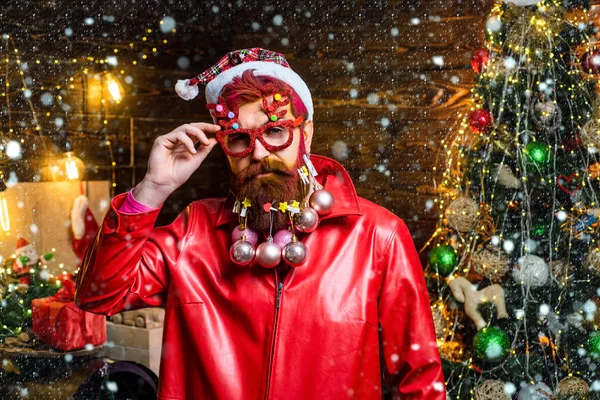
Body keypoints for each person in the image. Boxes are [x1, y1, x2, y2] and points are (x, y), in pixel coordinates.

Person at [75, 48, 445, 400]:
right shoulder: (194, 231)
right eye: (239, 138)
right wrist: (153, 190)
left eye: (275, 131)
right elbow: (99, 295)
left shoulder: (378, 237)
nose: (258, 152)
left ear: (306, 134)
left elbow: (419, 381)